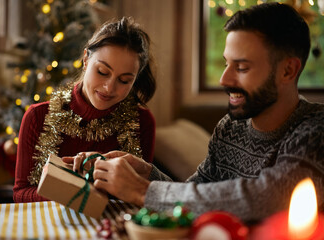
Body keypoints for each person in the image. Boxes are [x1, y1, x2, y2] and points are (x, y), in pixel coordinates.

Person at [89, 3, 324, 223]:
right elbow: (197, 194)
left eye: (241, 67)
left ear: (288, 70)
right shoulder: (230, 128)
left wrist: (142, 190)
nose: (225, 79)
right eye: (226, 64)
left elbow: (268, 198)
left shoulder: (315, 131)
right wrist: (146, 174)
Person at [13, 17, 157, 203]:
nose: (109, 88)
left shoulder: (142, 122)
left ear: (135, 79)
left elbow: (142, 195)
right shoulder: (38, 117)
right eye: (103, 72)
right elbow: (21, 194)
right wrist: (73, 190)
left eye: (124, 80)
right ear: (86, 59)